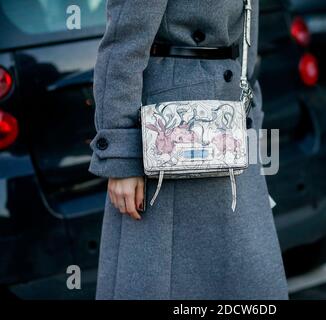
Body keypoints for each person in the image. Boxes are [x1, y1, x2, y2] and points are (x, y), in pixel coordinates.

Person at [89, 0, 288, 300]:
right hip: (165, 146)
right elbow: (122, 48)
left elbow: (248, 47)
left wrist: (250, 134)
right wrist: (120, 156)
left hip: (228, 132)